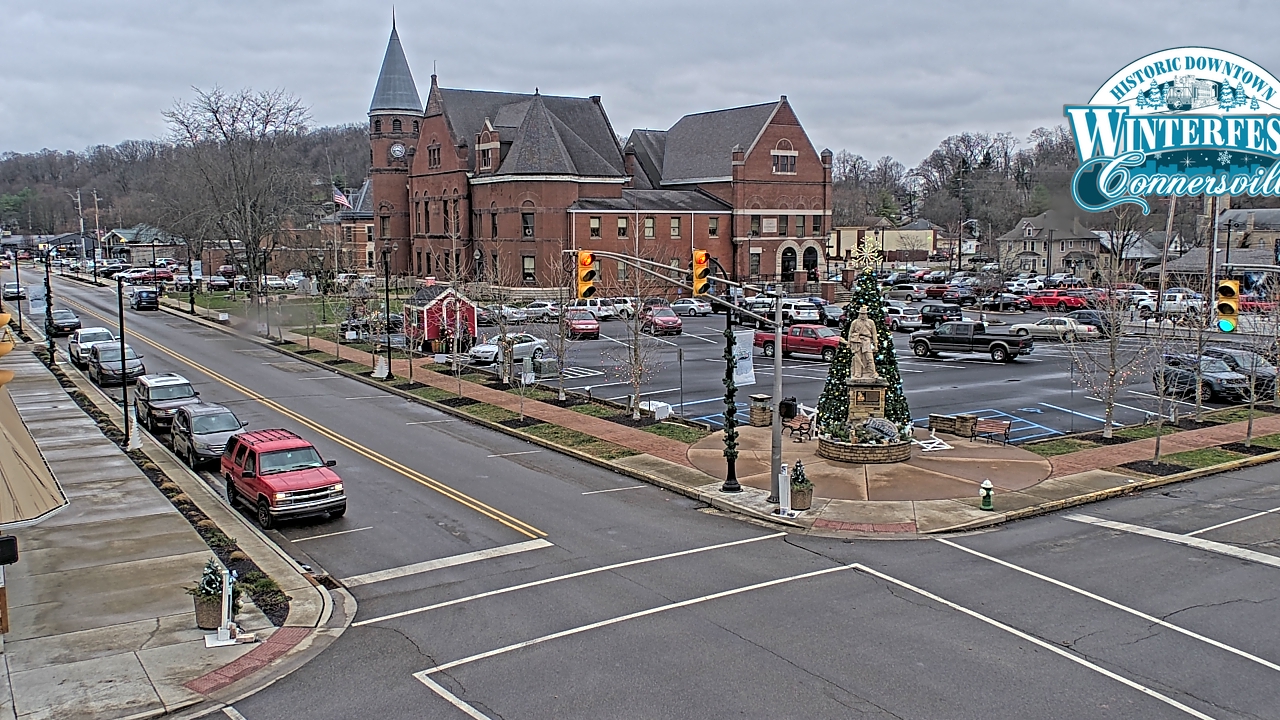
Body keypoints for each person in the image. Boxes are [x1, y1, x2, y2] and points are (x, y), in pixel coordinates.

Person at [849, 306, 880, 380]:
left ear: (866, 314)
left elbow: (874, 334)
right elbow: (850, 333)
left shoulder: (870, 322)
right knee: (858, 358)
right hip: (857, 341)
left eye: (864, 314)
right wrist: (849, 343)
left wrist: (875, 345)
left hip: (867, 341)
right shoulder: (855, 322)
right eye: (861, 314)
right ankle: (858, 373)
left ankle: (872, 372)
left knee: (870, 358)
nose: (862, 315)